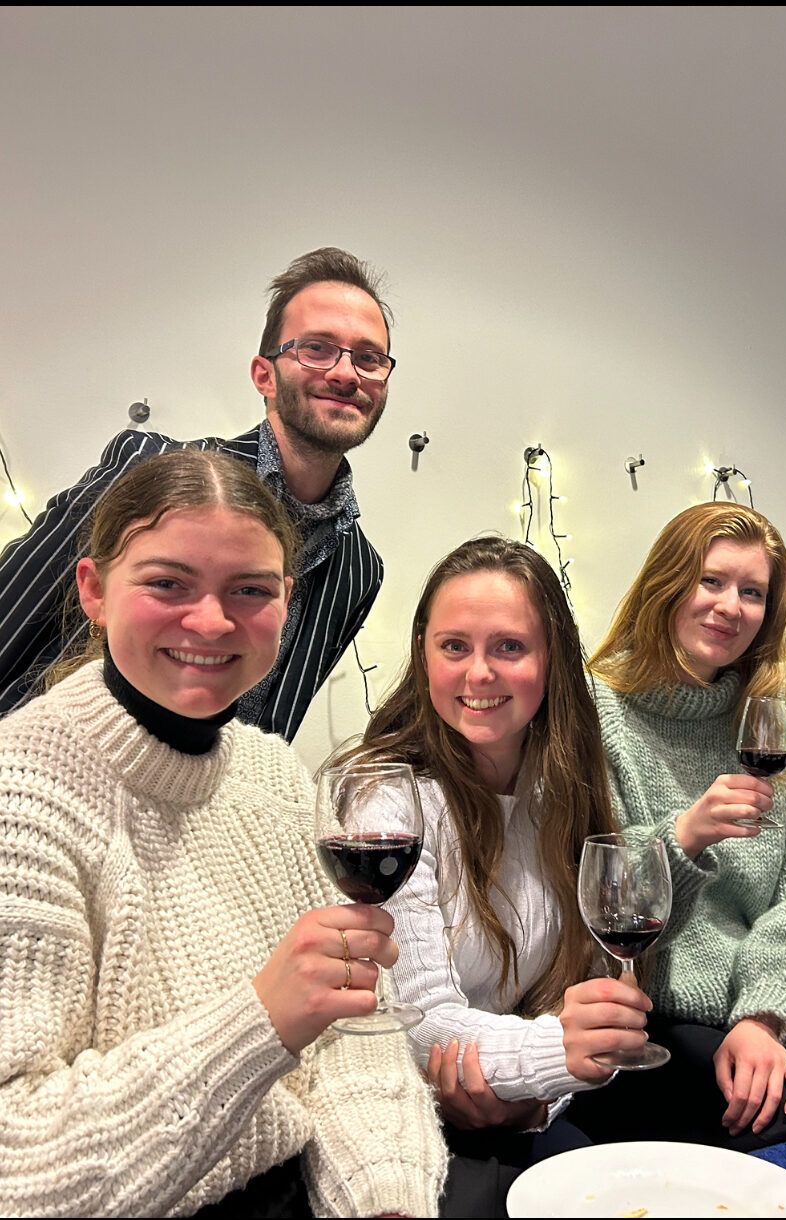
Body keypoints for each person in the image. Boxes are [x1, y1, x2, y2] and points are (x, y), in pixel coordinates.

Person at [0, 449, 446, 1217]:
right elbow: (16, 1166)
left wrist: (386, 1197)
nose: (210, 621)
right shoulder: (22, 791)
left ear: (286, 602)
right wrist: (262, 1019)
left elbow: (355, 1036)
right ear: (94, 590)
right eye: (168, 584)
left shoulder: (273, 776)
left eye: (249, 590)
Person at [333, 536, 654, 1217]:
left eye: (509, 647)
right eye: (454, 646)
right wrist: (553, 1055)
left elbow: (586, 1001)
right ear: (424, 656)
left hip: (522, 1109)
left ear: (552, 661)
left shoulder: (568, 790)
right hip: (396, 1115)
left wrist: (534, 1101)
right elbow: (418, 1025)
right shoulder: (387, 800)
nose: (479, 673)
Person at [575, 501, 786, 1152]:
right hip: (656, 1008)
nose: (731, 606)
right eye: (711, 581)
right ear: (667, 583)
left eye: (752, 592)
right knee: (774, 1107)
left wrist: (762, 1015)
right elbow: (597, 894)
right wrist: (685, 836)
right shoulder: (596, 711)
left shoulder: (779, 718)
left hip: (772, 997)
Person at [0, 246, 393, 740]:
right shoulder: (147, 468)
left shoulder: (359, 570)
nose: (346, 374)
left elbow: (270, 727)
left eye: (369, 358)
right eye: (316, 348)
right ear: (264, 375)